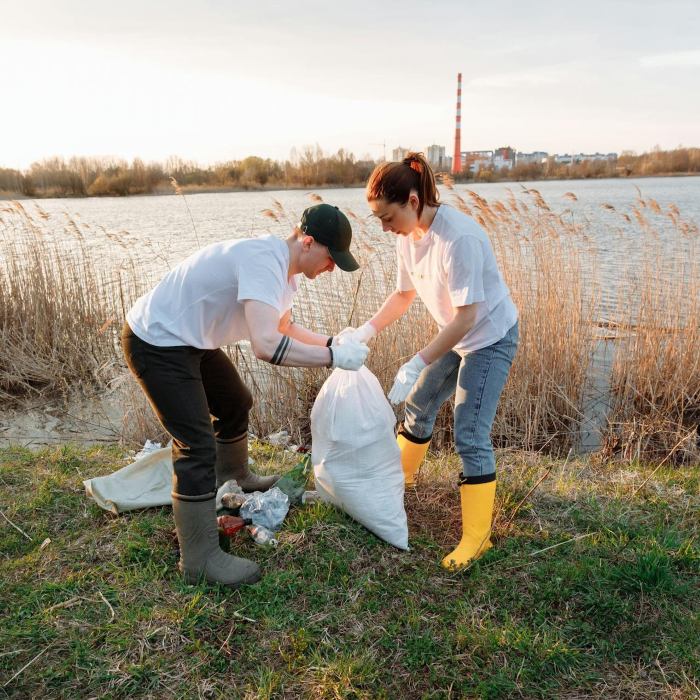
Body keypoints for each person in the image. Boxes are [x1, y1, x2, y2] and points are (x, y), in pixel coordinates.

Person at [122, 203, 369, 587]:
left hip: (189, 340)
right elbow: (267, 346)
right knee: (195, 443)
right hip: (156, 341)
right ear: (307, 242)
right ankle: (199, 558)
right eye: (331, 258)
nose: (332, 267)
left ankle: (234, 476)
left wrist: (332, 341)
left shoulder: (286, 271)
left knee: (235, 401)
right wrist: (333, 357)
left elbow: (283, 325)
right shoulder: (262, 261)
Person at [347, 152, 518, 570]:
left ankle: (478, 539)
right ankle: (398, 482)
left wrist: (416, 359)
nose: (386, 229)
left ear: (411, 200)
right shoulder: (409, 237)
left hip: (489, 340)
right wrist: (366, 331)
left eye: (388, 218)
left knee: (470, 433)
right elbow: (404, 295)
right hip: (460, 339)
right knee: (420, 401)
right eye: (379, 221)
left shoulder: (459, 239)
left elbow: (468, 317)